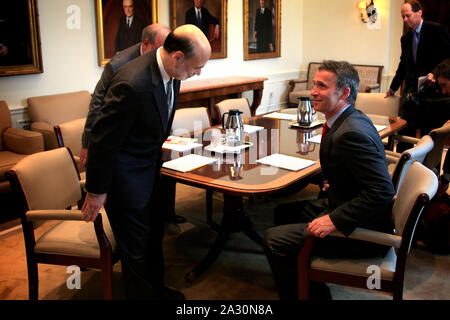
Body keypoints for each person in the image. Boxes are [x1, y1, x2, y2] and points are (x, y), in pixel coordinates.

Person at [81, 24, 211, 300]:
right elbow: (103, 141)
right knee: (136, 250)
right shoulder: (131, 83)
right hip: (125, 179)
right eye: (196, 66)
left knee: (153, 238)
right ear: (177, 57)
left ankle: (157, 291)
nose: (198, 73)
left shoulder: (172, 73)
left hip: (150, 171)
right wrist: (95, 191)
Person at [263, 60, 395, 300]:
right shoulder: (350, 118)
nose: (313, 91)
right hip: (343, 200)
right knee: (282, 214)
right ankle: (298, 279)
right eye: (314, 84)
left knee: (274, 240)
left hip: (363, 229)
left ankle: (314, 296)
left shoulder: (351, 132)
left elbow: (383, 190)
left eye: (321, 86)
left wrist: (334, 220)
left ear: (344, 93)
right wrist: (332, 179)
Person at [81, 24, 170, 168]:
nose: (164, 54)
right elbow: (97, 101)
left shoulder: (162, 62)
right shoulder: (118, 65)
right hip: (122, 142)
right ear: (146, 44)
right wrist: (87, 144)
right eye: (160, 48)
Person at [385, 0, 449, 148]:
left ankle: (429, 169)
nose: (405, 20)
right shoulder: (405, 38)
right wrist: (393, 87)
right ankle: (404, 168)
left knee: (430, 138)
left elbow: (447, 57)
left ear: (419, 13)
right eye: (403, 17)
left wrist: (434, 74)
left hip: (433, 94)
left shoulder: (436, 30)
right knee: (404, 135)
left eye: (408, 15)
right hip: (412, 94)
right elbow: (403, 64)